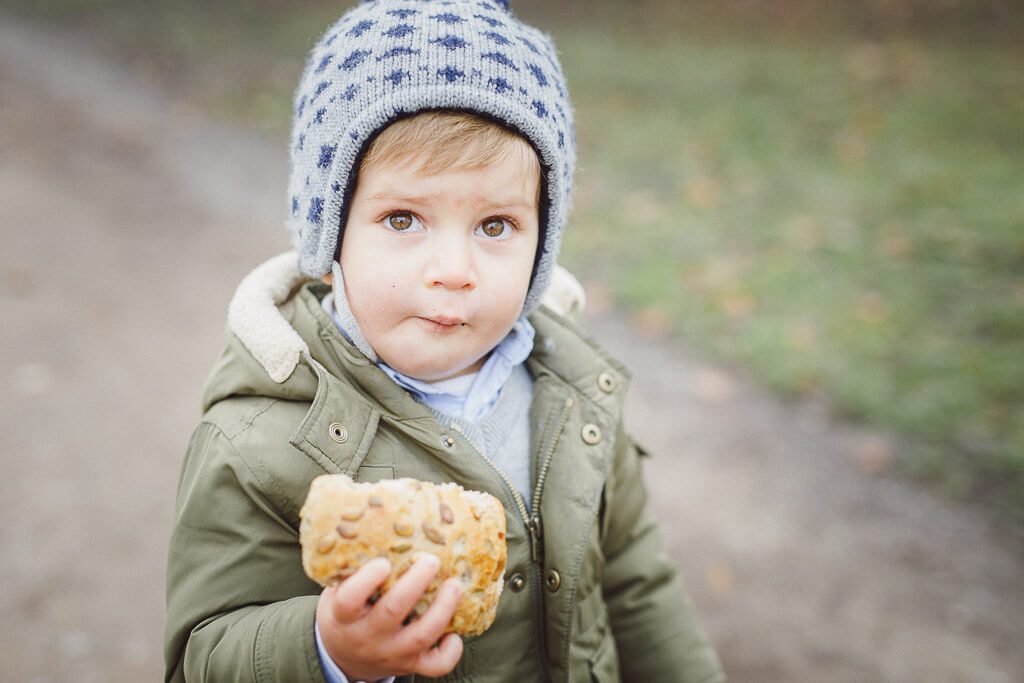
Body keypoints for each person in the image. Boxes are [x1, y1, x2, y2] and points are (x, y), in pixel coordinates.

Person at [164, 1, 725, 681]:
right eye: (403, 218)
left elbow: (637, 585)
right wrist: (328, 649)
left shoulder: (574, 395)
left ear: (541, 244)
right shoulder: (261, 441)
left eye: (495, 225)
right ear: (329, 232)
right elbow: (205, 652)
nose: (454, 271)